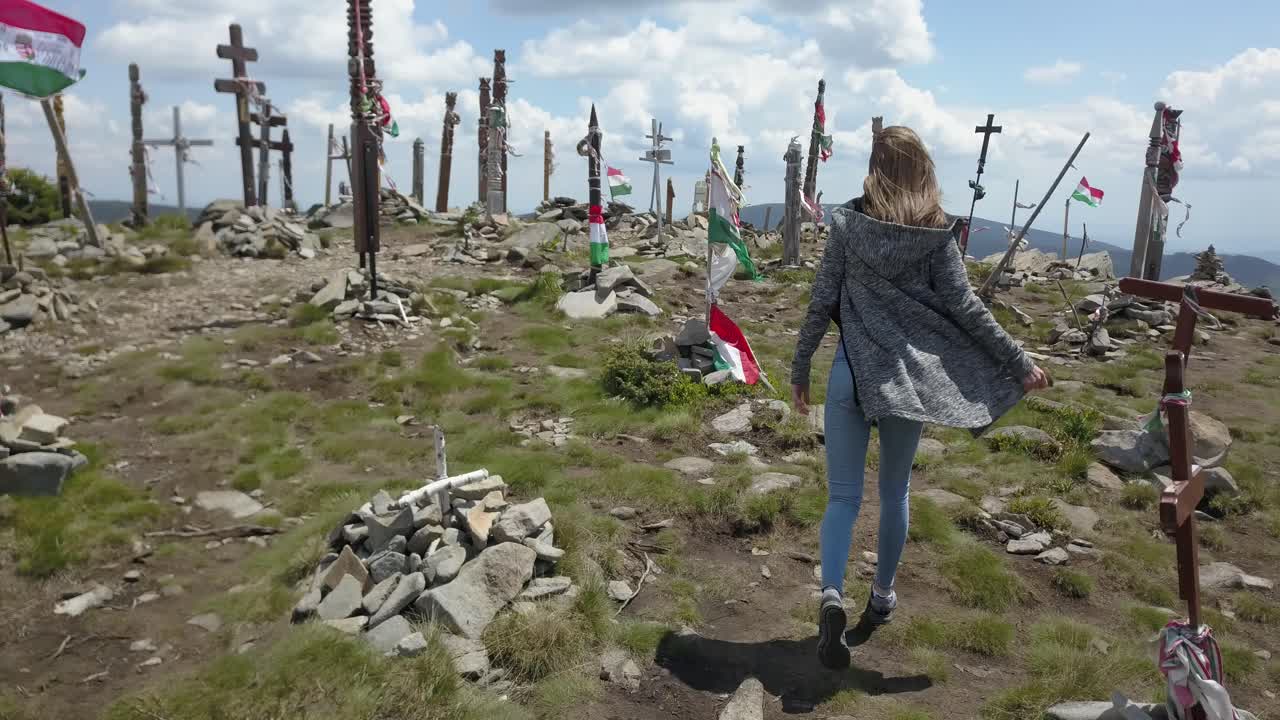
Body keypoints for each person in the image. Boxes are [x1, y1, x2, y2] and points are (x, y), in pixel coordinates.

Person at [789, 126, 1049, 669]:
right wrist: (1019, 363)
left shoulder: (846, 223)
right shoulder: (936, 232)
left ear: (875, 164)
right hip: (904, 384)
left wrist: (799, 370)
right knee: (894, 491)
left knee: (841, 497)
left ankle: (831, 595)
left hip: (848, 374)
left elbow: (821, 300)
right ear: (923, 167)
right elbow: (967, 309)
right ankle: (881, 597)